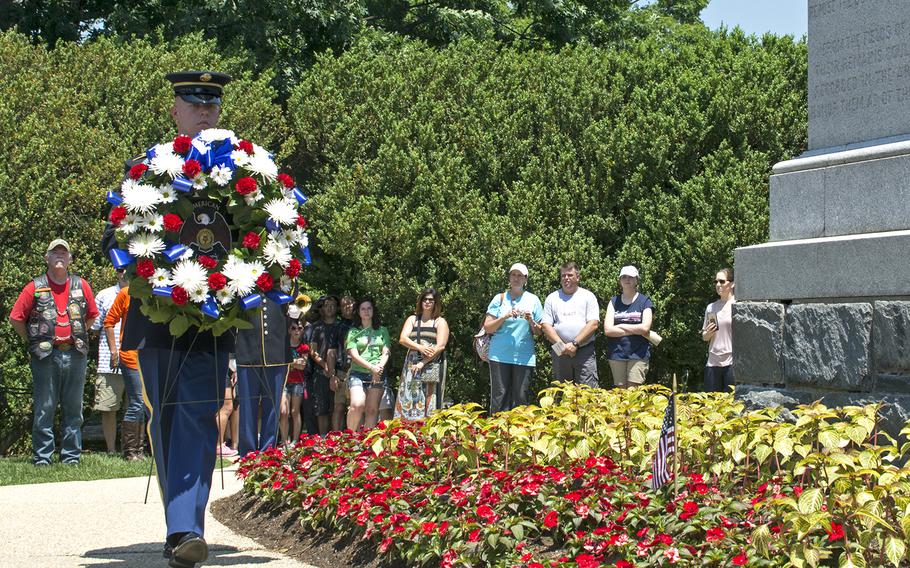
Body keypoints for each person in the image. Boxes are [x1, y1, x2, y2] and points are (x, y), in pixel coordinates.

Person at [101, 70, 234, 568]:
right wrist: (143, 259)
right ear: (176, 109)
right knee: (168, 417)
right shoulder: (149, 169)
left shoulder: (239, 175)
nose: (204, 112)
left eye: (212, 104)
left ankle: (185, 529)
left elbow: (265, 235)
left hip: (215, 320)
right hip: (158, 319)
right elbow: (115, 237)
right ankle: (179, 524)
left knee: (198, 414)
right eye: (194, 103)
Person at [9, 239, 99, 466]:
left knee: (74, 408)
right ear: (46, 258)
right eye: (54, 252)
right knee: (45, 407)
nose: (59, 255)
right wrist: (32, 340)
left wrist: (73, 335)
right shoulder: (35, 286)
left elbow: (92, 316)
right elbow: (16, 318)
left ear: (70, 259)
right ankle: (42, 458)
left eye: (63, 253)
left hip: (75, 354)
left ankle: (71, 458)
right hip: (45, 356)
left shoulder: (81, 285)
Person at [234, 294, 291, 455]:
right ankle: (247, 452)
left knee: (272, 407)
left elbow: (291, 293)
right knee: (247, 407)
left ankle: (268, 451)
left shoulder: (281, 281)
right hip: (248, 351)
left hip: (276, 353)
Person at [483, 263, 543, 413]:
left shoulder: (533, 300)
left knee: (521, 398)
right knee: (499, 397)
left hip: (524, 356)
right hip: (499, 355)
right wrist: (504, 316)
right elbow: (488, 327)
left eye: (520, 275)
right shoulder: (499, 298)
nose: (516, 278)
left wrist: (531, 321)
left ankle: (519, 433)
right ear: (509, 278)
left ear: (525, 279)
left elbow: (539, 332)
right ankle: (497, 432)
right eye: (513, 275)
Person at [104, 285, 147, 460]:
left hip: (149, 358)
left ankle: (140, 450)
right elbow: (109, 322)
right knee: (137, 402)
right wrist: (114, 350)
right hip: (130, 357)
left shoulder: (157, 293)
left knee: (145, 404)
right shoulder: (126, 293)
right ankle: (130, 452)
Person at [541, 262, 600, 388]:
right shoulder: (552, 298)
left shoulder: (588, 296)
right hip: (559, 351)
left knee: (587, 392)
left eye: (570, 275)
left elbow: (593, 324)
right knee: (561, 392)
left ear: (578, 277)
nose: (566, 278)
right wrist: (561, 346)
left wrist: (574, 344)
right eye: (563, 276)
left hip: (584, 351)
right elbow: (546, 325)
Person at [395, 288, 449, 420]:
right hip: (412, 364)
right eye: (425, 299)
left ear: (436, 303)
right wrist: (420, 347)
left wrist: (422, 362)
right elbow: (403, 338)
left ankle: (428, 432)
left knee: (431, 398)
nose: (427, 302)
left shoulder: (440, 322)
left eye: (431, 300)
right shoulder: (413, 319)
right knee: (409, 396)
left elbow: (440, 346)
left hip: (432, 364)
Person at [91, 268, 128, 454]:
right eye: (121, 269)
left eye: (129, 268)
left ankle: (131, 450)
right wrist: (113, 350)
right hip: (108, 362)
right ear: (116, 272)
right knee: (108, 408)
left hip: (136, 361)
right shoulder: (104, 295)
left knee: (135, 408)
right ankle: (112, 450)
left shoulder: (145, 295)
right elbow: (95, 327)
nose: (125, 272)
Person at [603, 265, 654, 388]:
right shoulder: (614, 301)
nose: (627, 279)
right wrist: (635, 329)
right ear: (620, 280)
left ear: (636, 280)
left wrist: (621, 326)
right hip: (617, 354)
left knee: (633, 392)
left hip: (639, 354)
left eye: (631, 277)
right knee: (620, 393)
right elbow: (608, 330)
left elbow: (645, 328)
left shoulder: (645, 301)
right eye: (624, 277)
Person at [345, 298, 391, 431]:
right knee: (357, 405)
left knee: (372, 410)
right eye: (363, 309)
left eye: (369, 308)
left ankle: (366, 444)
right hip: (358, 373)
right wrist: (371, 367)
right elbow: (353, 354)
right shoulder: (353, 331)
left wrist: (379, 368)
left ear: (373, 311)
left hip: (378, 373)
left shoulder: (382, 330)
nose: (366, 311)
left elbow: (386, 351)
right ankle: (349, 439)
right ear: (358, 312)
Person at [307, 295, 341, 435]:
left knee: (337, 406)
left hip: (339, 372)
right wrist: (324, 364)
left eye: (332, 305)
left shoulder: (341, 326)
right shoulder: (316, 327)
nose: (330, 308)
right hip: (321, 372)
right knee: (321, 407)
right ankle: (322, 438)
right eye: (326, 305)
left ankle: (337, 437)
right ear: (322, 308)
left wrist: (333, 368)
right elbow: (312, 350)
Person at [702, 268, 736, 392]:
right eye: (715, 282)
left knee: (731, 406)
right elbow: (705, 337)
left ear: (732, 283)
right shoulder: (711, 307)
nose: (718, 285)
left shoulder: (738, 305)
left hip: (731, 363)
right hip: (712, 363)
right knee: (710, 406)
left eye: (722, 281)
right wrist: (708, 333)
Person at [282, 309, 308, 444]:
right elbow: (283, 364)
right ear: (289, 330)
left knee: (295, 411)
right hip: (285, 381)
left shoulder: (303, 346)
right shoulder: (284, 345)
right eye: (293, 328)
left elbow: (303, 365)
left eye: (299, 328)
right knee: (284, 411)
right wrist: (293, 363)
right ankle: (284, 440)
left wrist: (289, 364)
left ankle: (295, 440)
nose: (296, 331)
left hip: (298, 381)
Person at [331, 294, 355, 431]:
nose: (347, 307)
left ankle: (354, 435)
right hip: (341, 370)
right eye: (344, 305)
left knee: (355, 405)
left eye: (350, 304)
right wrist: (332, 374)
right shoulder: (337, 326)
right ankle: (335, 437)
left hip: (357, 369)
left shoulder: (360, 324)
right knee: (339, 406)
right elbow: (331, 352)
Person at [215, 358, 239, 457]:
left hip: (228, 368)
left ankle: (219, 445)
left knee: (230, 406)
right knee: (226, 407)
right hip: (223, 366)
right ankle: (218, 446)